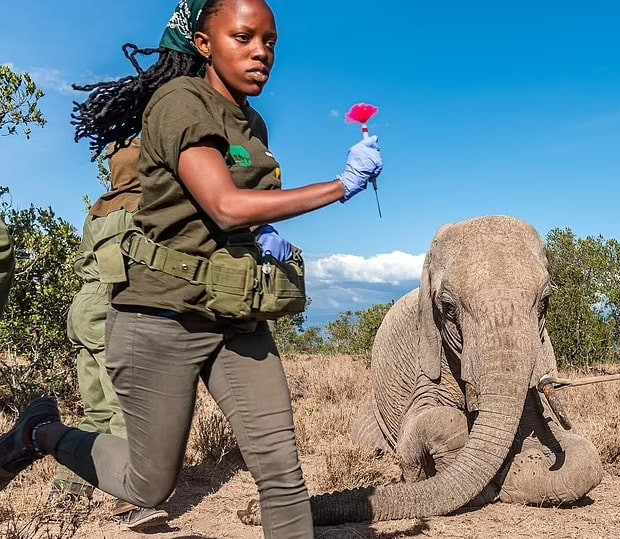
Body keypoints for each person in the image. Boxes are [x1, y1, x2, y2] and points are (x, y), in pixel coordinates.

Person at [0, 1, 382, 537]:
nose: (261, 53)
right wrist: (341, 186)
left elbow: (237, 210)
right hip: (160, 316)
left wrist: (263, 234)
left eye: (270, 42)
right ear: (204, 45)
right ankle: (40, 432)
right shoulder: (179, 101)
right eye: (244, 38)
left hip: (233, 314)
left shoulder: (254, 124)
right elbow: (224, 205)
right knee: (148, 484)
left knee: (282, 473)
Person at [46, 139, 170, 531]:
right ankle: (130, 500)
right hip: (113, 307)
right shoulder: (144, 207)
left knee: (96, 409)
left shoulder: (98, 210)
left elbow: (88, 262)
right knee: (126, 407)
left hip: (84, 307)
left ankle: (67, 489)